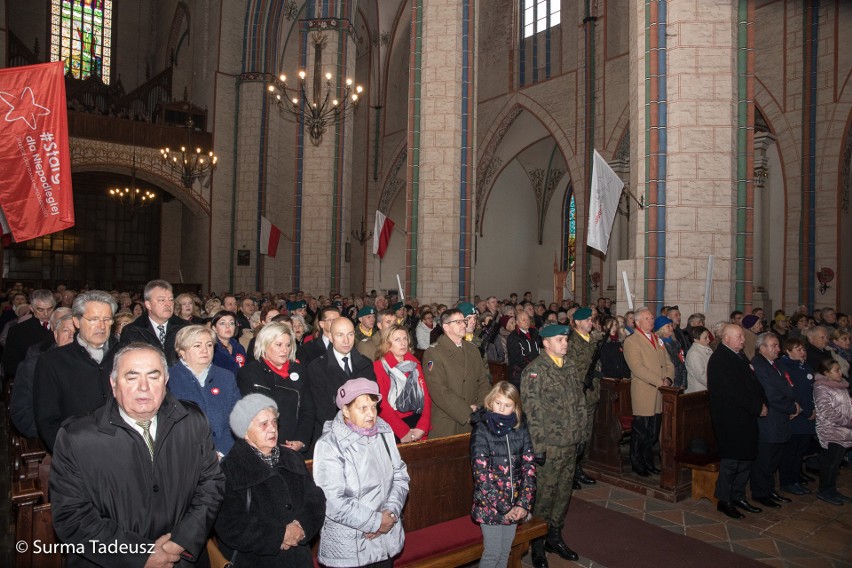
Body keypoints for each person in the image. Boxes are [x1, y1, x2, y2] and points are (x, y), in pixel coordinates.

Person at [50, 343, 225, 567]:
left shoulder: (192, 420)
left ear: (166, 381)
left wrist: (181, 541)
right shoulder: (77, 437)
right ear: (113, 384)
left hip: (182, 558)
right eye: (131, 378)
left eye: (153, 377)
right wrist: (139, 555)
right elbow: (72, 516)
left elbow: (211, 485)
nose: (144, 387)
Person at [215, 394, 326, 567]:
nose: (273, 429)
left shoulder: (292, 458)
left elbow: (315, 498)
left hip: (299, 557)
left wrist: (302, 527)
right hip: (257, 561)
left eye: (274, 422)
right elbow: (229, 524)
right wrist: (279, 535)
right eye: (263, 424)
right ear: (245, 431)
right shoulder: (230, 469)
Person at [312, 378, 410, 568]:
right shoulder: (330, 444)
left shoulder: (384, 431)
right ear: (346, 410)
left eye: (373, 407)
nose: (371, 414)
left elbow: (400, 475)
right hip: (349, 547)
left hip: (385, 539)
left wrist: (390, 513)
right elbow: (332, 500)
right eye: (362, 408)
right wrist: (374, 522)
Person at [520, 324, 581, 566]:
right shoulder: (535, 371)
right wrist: (538, 447)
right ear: (546, 343)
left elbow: (579, 404)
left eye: (565, 339)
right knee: (544, 496)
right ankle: (537, 545)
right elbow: (532, 412)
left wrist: (580, 436)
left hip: (569, 441)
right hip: (549, 445)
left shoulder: (571, 367)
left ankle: (554, 535)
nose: (565, 343)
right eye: (559, 339)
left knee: (564, 493)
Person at [33, 290, 119, 452]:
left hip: (122, 450)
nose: (101, 326)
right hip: (77, 452)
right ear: (76, 321)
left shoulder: (125, 355)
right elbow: (47, 420)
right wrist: (68, 455)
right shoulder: (52, 362)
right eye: (93, 319)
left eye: (107, 319)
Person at [470, 382, 536, 568]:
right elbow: (481, 475)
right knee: (493, 554)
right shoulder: (482, 429)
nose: (501, 409)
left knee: (505, 551)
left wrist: (523, 504)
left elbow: (529, 467)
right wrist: (505, 507)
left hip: (515, 503)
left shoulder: (520, 428)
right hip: (490, 504)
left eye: (507, 406)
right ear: (491, 401)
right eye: (498, 403)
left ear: (515, 407)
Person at [708, 324, 768, 519]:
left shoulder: (739, 355)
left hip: (746, 416)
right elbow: (731, 392)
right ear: (726, 338)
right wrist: (756, 407)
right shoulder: (719, 360)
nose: (743, 340)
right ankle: (724, 500)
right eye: (739, 336)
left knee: (746, 458)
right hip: (730, 419)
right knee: (732, 461)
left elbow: (753, 382)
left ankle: (739, 495)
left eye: (742, 336)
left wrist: (762, 402)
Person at [238, 322, 314, 455]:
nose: (285, 350)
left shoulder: (299, 371)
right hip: (261, 448)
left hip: (292, 446)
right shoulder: (249, 373)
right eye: (278, 345)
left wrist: (300, 440)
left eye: (288, 345)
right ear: (265, 345)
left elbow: (308, 409)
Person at [168, 325, 241, 457]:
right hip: (185, 455)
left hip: (225, 454)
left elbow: (236, 417)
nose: (205, 350)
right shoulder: (169, 379)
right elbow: (169, 424)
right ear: (182, 351)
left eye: (209, 345)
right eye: (197, 346)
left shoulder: (226, 377)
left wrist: (221, 451)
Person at [423, 309, 491, 438]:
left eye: (464, 321)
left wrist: (479, 406)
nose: (464, 325)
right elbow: (439, 391)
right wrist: (467, 412)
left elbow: (483, 381)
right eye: (458, 322)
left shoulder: (473, 349)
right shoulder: (434, 353)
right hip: (449, 420)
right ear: (446, 327)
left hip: (473, 418)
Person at [749, 333, 799, 509]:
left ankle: (769, 489)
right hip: (769, 420)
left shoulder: (776, 363)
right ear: (762, 348)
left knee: (774, 458)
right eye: (774, 346)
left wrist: (793, 404)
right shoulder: (758, 365)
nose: (778, 349)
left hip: (780, 418)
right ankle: (760, 492)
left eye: (778, 345)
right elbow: (770, 394)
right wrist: (791, 407)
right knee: (765, 459)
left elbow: (788, 385)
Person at [623, 307, 674, 477]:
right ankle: (637, 463)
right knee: (641, 432)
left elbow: (668, 362)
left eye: (652, 318)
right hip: (644, 391)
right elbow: (638, 368)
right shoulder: (632, 341)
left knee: (653, 432)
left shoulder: (657, 339)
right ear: (637, 322)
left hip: (660, 391)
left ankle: (649, 461)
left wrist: (668, 378)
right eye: (647, 318)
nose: (651, 321)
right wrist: (660, 381)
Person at [10, 308, 74, 438]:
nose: (71, 337)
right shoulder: (32, 366)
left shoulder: (91, 365)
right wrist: (56, 436)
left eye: (76, 332)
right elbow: (22, 414)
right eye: (66, 331)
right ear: (55, 335)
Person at [307, 317, 377, 433]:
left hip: (365, 430)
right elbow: (322, 410)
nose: (346, 340)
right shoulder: (317, 368)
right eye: (340, 335)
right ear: (330, 337)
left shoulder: (365, 364)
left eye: (350, 334)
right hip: (334, 433)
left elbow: (373, 401)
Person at [373, 324, 431, 443]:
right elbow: (381, 403)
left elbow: (425, 396)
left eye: (405, 339)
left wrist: (423, 426)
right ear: (387, 344)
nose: (403, 343)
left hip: (418, 422)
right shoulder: (379, 367)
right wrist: (402, 431)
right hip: (394, 426)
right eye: (397, 339)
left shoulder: (415, 364)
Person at [564, 308, 602, 488]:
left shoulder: (592, 340)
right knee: (576, 435)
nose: (590, 322)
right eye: (587, 320)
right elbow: (569, 368)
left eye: (591, 319)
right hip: (578, 395)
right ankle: (570, 472)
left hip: (591, 394)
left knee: (586, 435)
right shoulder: (571, 341)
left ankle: (580, 467)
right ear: (577, 322)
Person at [775, 337, 817, 495]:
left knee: (800, 450)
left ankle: (796, 478)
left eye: (804, 349)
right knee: (790, 451)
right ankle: (788, 481)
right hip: (796, 415)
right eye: (798, 349)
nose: (803, 352)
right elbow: (792, 392)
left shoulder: (806, 366)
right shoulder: (785, 367)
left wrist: (813, 408)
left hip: (808, 414)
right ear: (788, 350)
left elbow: (811, 390)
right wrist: (806, 410)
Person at [120, 279, 188, 366]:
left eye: (171, 300)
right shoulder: (132, 331)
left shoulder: (185, 328)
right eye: (162, 300)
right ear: (148, 305)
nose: (168, 304)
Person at [812, 359, 852, 505]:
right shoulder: (821, 387)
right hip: (831, 431)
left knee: (835, 464)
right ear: (826, 373)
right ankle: (824, 491)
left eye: (839, 369)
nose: (840, 372)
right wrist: (848, 421)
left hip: (844, 431)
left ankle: (831, 489)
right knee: (829, 464)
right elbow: (827, 412)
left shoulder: (841, 386)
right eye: (836, 370)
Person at [2, 288, 55, 378]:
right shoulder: (17, 331)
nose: (46, 314)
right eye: (40, 310)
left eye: (49, 309)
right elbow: (10, 366)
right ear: (31, 308)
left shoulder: (63, 327)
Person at [506, 310, 541, 389]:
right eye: (523, 320)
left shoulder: (534, 332)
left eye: (528, 319)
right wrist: (534, 365)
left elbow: (539, 348)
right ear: (517, 322)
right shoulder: (513, 337)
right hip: (520, 373)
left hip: (535, 369)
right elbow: (517, 358)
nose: (527, 322)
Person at [211, 310, 249, 376]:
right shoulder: (212, 349)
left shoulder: (239, 347)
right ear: (214, 328)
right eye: (222, 323)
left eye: (231, 323)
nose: (228, 326)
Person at [685, 326, 712, 393]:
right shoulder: (694, 353)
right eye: (705, 338)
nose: (708, 340)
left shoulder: (707, 349)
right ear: (696, 339)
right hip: (699, 390)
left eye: (708, 337)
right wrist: (714, 385)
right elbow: (701, 376)